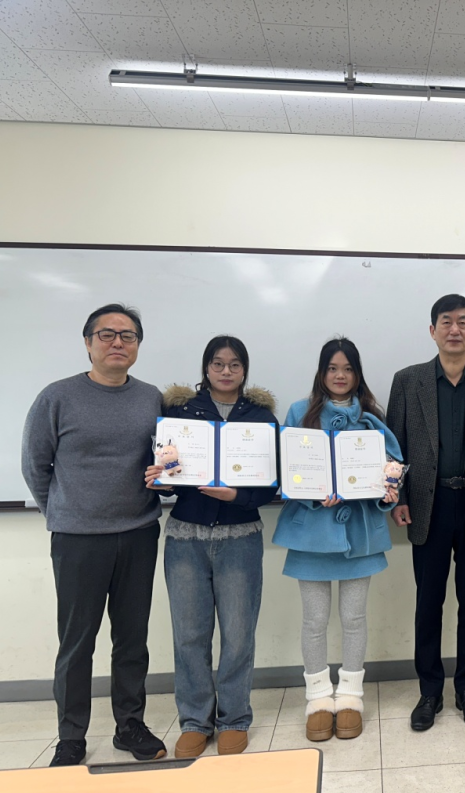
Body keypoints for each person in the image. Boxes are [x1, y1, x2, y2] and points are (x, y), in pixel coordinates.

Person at [21, 303, 167, 767]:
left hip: (139, 533)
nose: (118, 343)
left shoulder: (151, 398)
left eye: (128, 336)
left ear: (138, 346)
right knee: (77, 642)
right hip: (78, 539)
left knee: (132, 639)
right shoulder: (57, 397)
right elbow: (35, 465)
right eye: (107, 334)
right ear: (88, 343)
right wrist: (64, 512)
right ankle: (71, 737)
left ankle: (130, 725)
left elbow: (166, 461)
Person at [385, 294, 465, 732]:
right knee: (429, 602)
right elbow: (395, 447)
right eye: (446, 322)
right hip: (429, 504)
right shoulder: (408, 380)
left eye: (462, 322)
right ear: (432, 330)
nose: (454, 329)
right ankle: (429, 691)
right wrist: (399, 497)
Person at [143, 335, 278, 758]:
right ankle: (195, 721)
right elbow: (166, 474)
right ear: (206, 368)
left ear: (244, 370)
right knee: (189, 635)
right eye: (217, 363)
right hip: (186, 537)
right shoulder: (179, 414)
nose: (225, 371)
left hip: (241, 537)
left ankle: (234, 718)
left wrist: (236, 496)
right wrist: (159, 479)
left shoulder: (260, 418)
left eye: (234, 364)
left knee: (238, 634)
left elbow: (270, 484)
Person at [272, 337, 402, 742]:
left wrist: (387, 492)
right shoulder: (299, 412)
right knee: (313, 620)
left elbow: (392, 469)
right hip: (311, 534)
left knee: (354, 618)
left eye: (347, 368)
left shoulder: (372, 417)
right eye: (332, 368)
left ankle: (350, 695)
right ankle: (316, 697)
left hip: (359, 535)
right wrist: (312, 493)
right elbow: (285, 469)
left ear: (357, 374)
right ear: (321, 372)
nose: (340, 375)